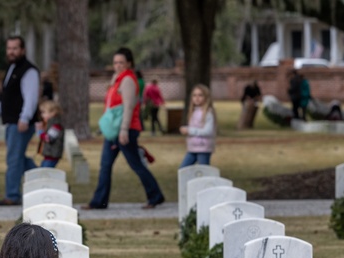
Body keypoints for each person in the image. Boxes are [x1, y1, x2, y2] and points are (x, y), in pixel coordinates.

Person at [84, 47, 165, 211]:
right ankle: (99, 201)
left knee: (136, 164)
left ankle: (155, 196)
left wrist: (124, 130)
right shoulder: (118, 79)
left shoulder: (128, 80)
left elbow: (128, 107)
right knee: (105, 165)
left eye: (121, 62)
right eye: (115, 62)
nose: (118, 65)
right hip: (114, 131)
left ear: (129, 63)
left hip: (125, 129)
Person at [0, 36, 40, 206]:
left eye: (15, 48)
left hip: (21, 122)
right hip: (10, 121)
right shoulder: (11, 69)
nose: (11, 51)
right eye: (9, 48)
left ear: (23, 50)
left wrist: (24, 118)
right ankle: (43, 179)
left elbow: (30, 98)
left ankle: (12, 194)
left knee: (13, 159)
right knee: (18, 158)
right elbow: (6, 97)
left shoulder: (29, 71)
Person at [179, 84, 216, 167]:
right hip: (192, 148)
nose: (197, 98)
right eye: (194, 95)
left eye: (200, 95)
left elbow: (208, 131)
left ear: (206, 97)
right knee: (183, 169)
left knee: (204, 171)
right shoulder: (193, 112)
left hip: (203, 148)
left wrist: (190, 131)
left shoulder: (208, 113)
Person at [36, 100, 64, 168]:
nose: (42, 115)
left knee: (44, 174)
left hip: (52, 156)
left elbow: (49, 138)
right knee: (41, 172)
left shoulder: (56, 126)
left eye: (44, 112)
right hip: (48, 156)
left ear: (53, 113)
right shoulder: (50, 125)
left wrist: (40, 132)